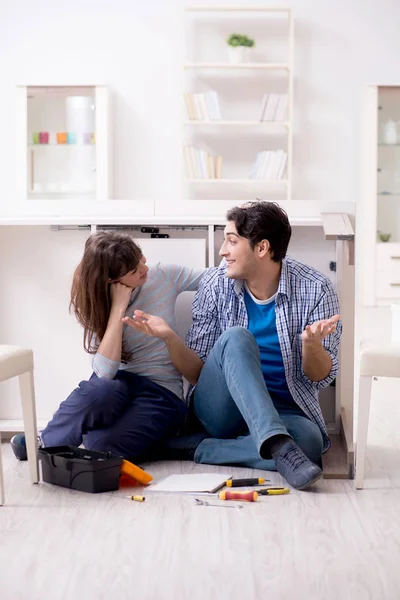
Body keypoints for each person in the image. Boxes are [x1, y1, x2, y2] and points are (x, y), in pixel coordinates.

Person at [127, 202, 342, 491]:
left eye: (231, 240)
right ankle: (277, 444)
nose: (222, 251)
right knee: (237, 337)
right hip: (222, 411)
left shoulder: (316, 289)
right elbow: (198, 375)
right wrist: (169, 338)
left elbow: (321, 377)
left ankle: (200, 448)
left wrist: (312, 345)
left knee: (310, 443)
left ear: (262, 248)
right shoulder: (216, 284)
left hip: (285, 410)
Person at [11, 231, 205, 463]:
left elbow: (217, 277)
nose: (145, 269)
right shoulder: (98, 301)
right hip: (118, 385)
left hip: (161, 393)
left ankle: (164, 442)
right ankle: (44, 443)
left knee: (100, 445)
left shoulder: (164, 274)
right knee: (101, 390)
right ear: (112, 282)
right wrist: (118, 308)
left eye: (140, 258)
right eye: (134, 271)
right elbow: (105, 373)